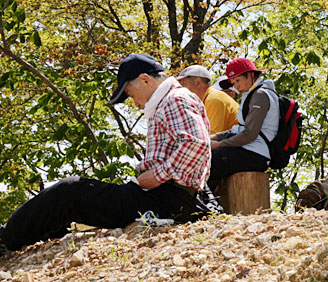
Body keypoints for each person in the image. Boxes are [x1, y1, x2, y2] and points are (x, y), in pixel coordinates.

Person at [0, 53, 211, 258]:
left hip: (167, 199)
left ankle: (5, 237)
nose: (135, 103)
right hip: (164, 196)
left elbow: (197, 143)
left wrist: (157, 176)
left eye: (129, 94)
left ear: (145, 80)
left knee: (70, 190)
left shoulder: (174, 99)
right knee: (74, 203)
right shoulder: (171, 100)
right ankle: (15, 237)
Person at [208, 58, 279, 187]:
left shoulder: (260, 95)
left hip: (255, 154)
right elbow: (239, 129)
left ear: (250, 75)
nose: (236, 86)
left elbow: (249, 134)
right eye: (233, 82)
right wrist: (213, 137)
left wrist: (219, 144)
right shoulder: (251, 94)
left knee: (204, 163)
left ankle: (206, 205)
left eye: (238, 80)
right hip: (248, 151)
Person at [176, 65, 239, 135]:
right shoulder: (208, 99)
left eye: (183, 84)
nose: (181, 90)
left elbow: (210, 137)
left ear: (197, 82)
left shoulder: (213, 99)